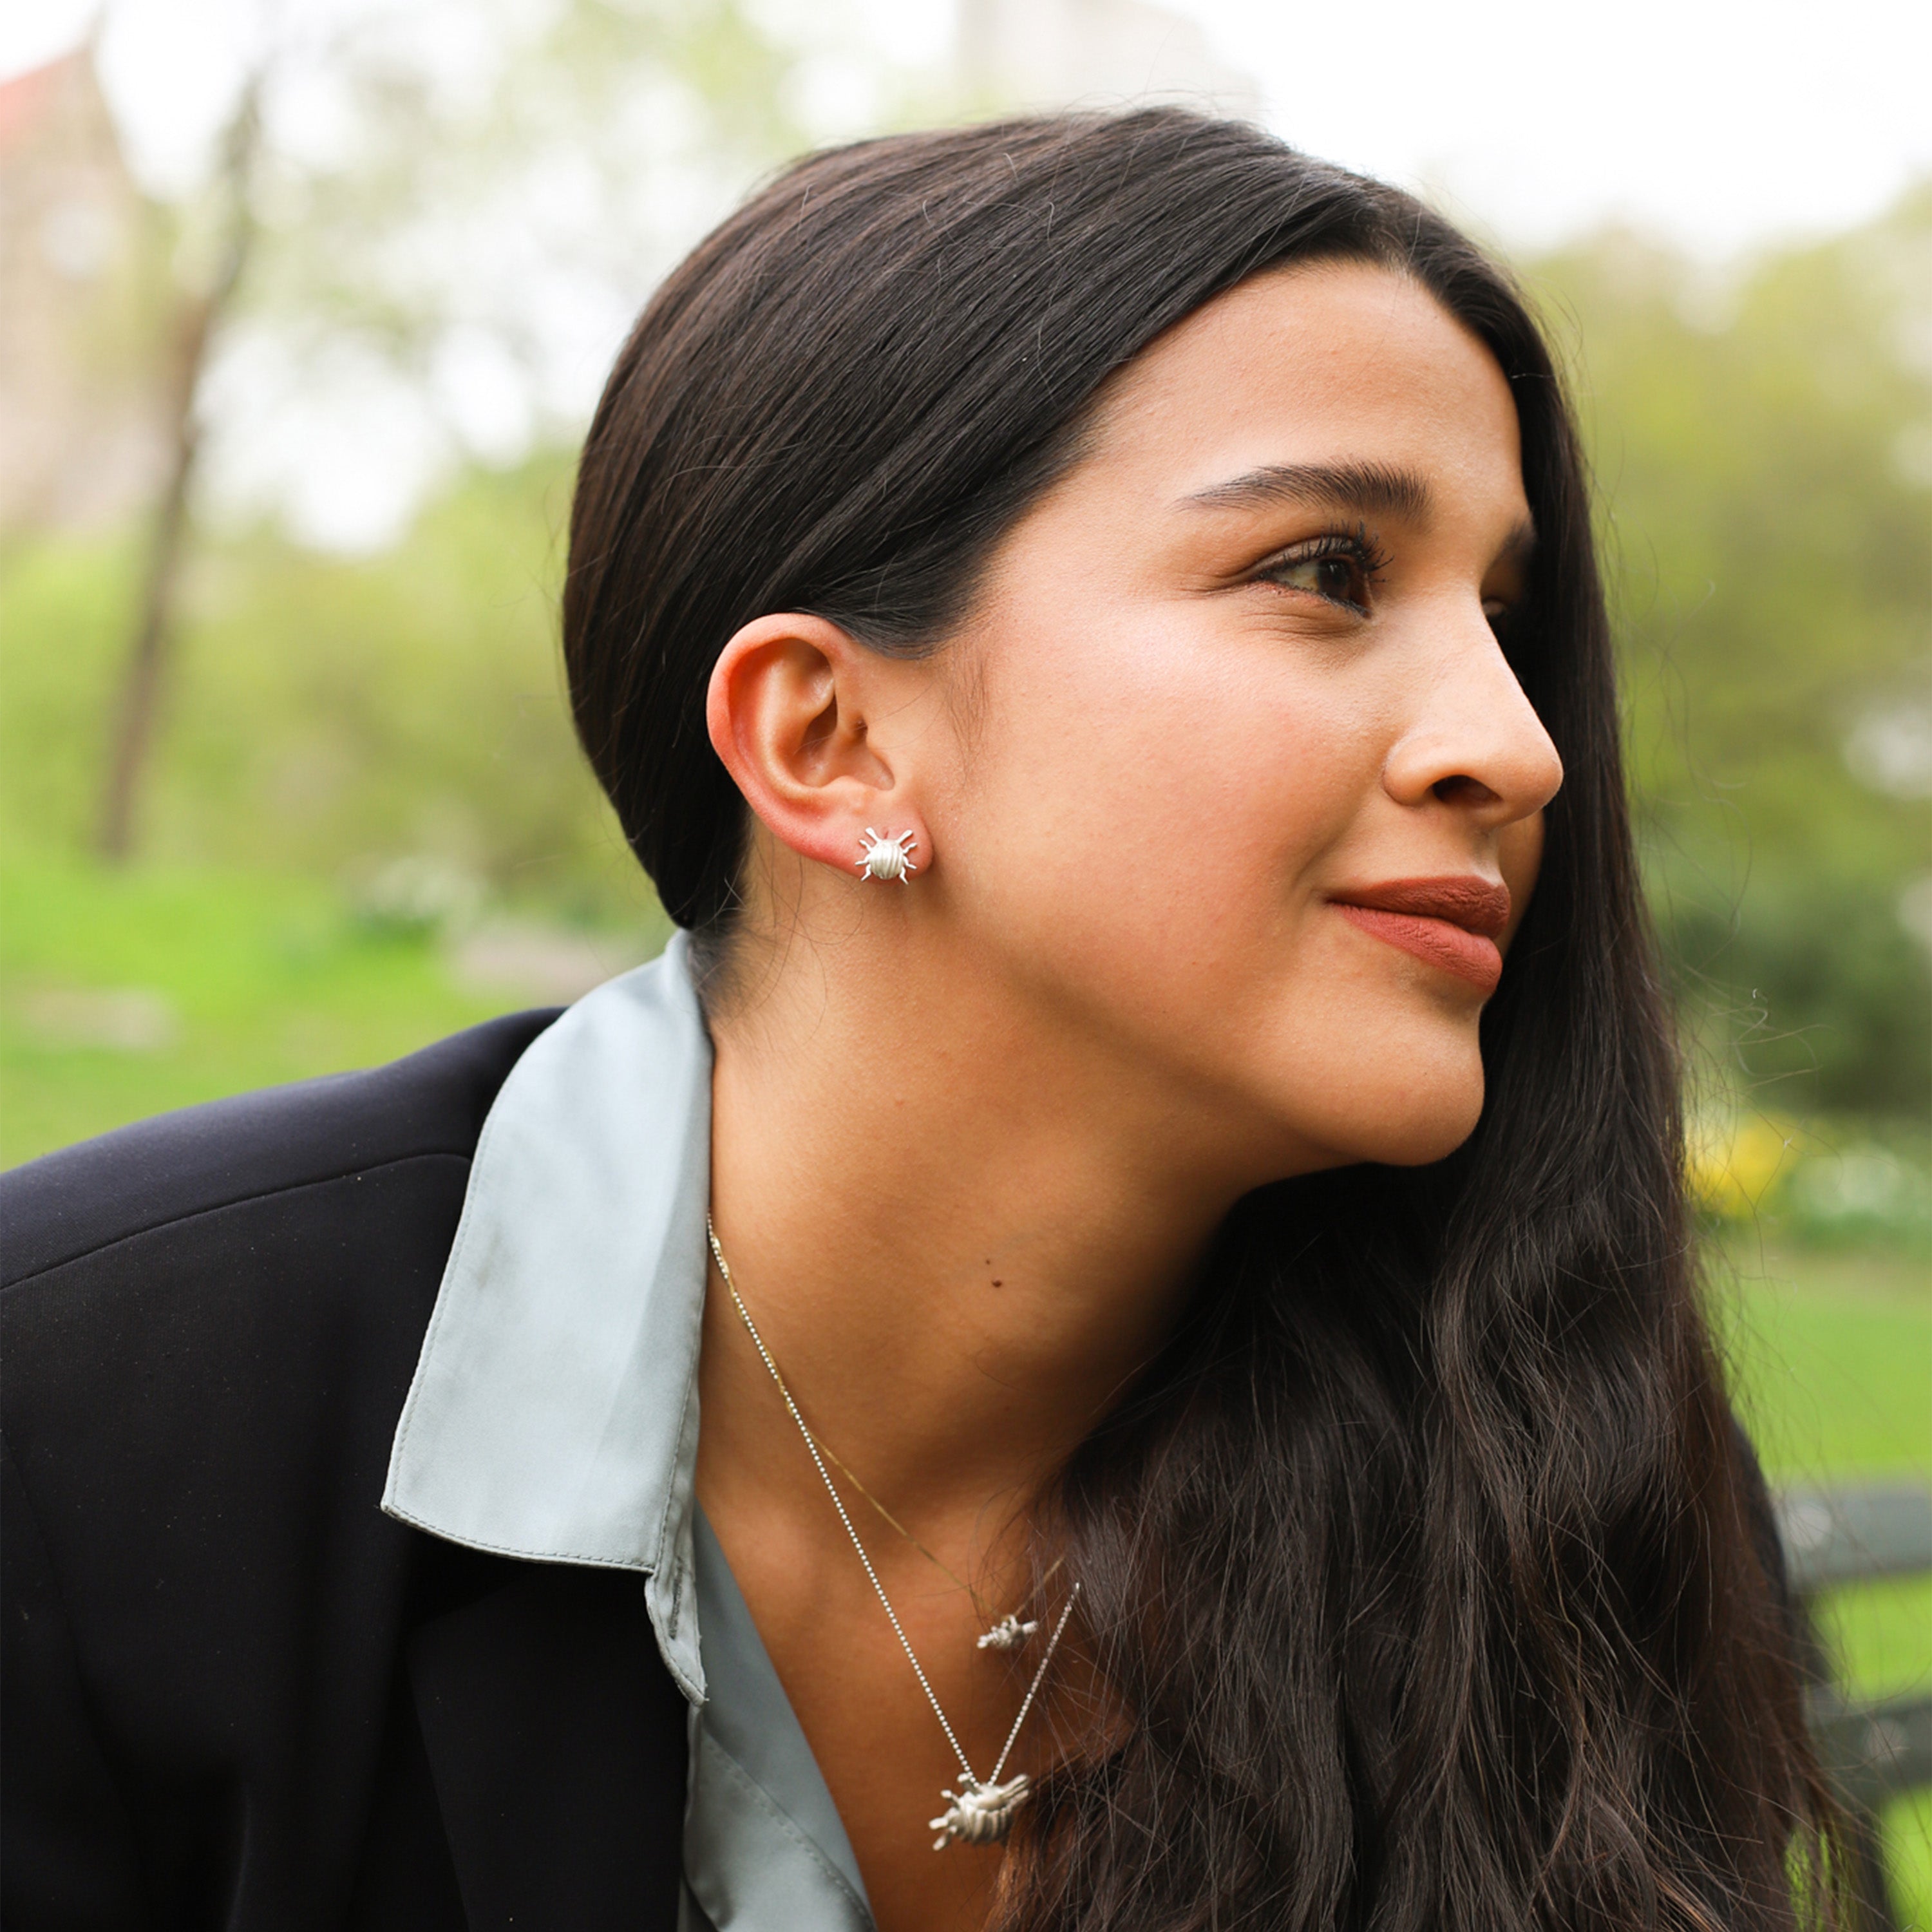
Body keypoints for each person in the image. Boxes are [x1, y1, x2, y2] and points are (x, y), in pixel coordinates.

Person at [2, 109, 1835, 1932]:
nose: (1517, 747)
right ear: (831, 739)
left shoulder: (1562, 1475)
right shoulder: (79, 1429)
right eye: (1325, 572)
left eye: (1506, 617)